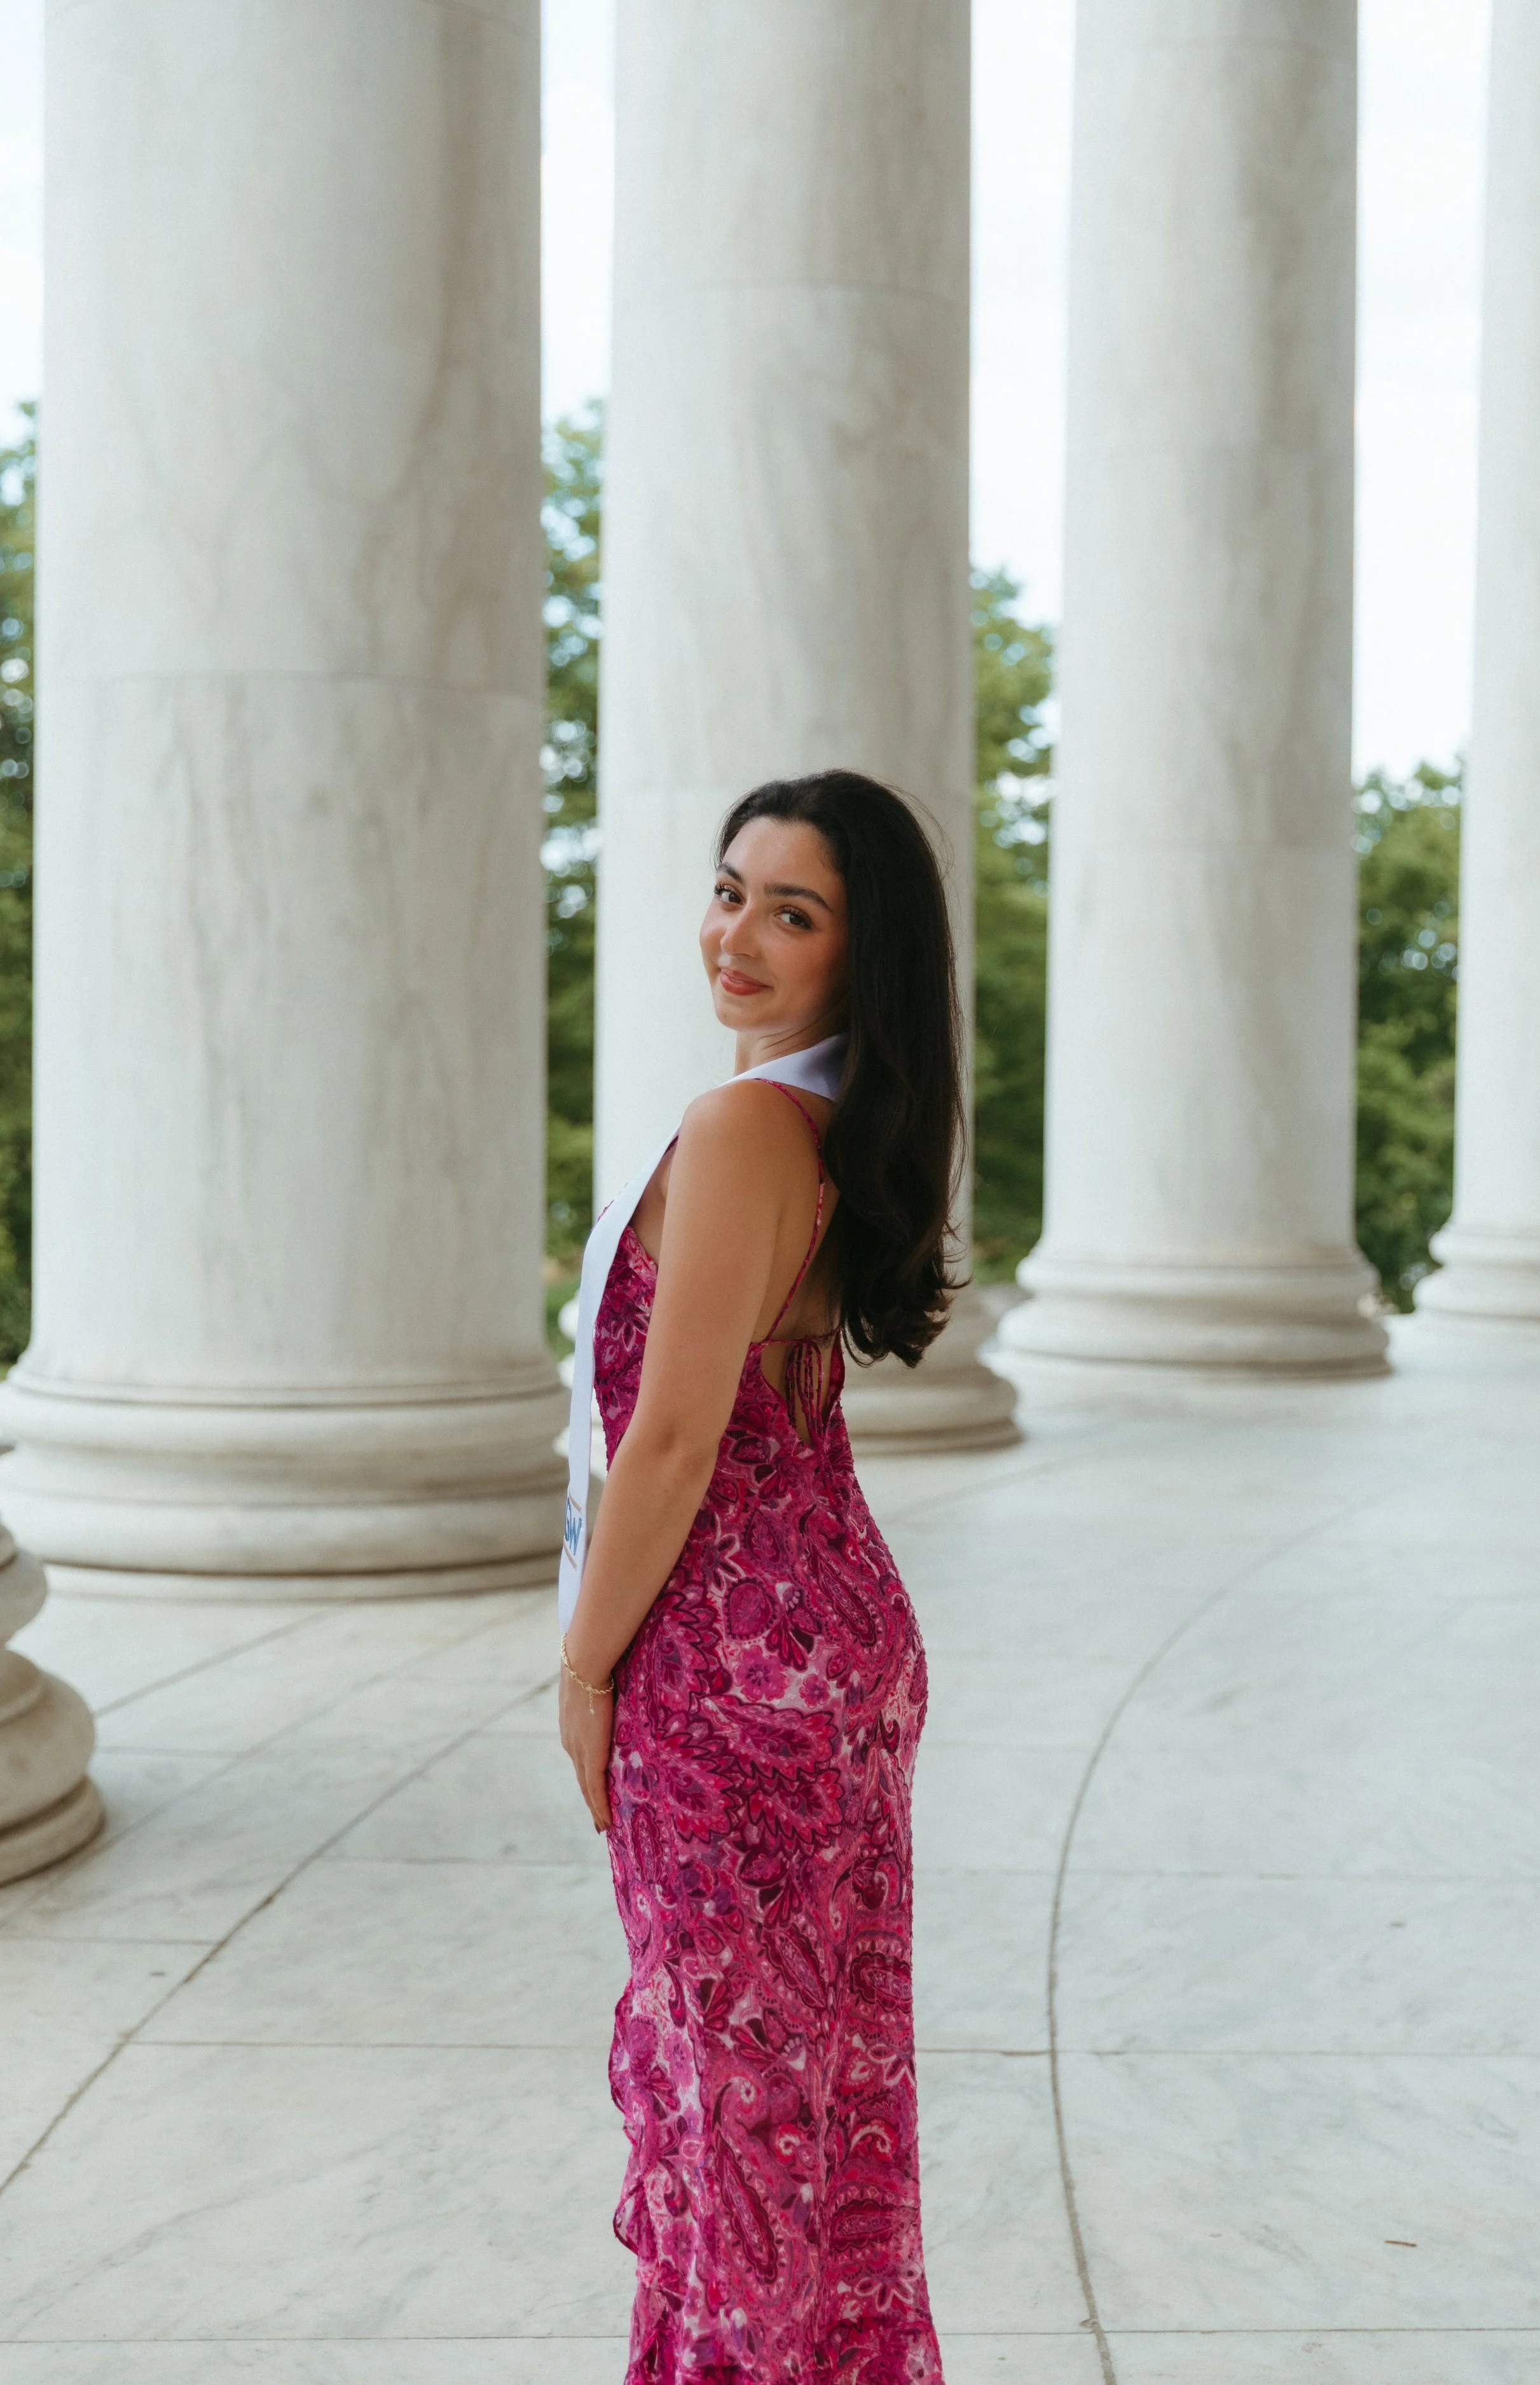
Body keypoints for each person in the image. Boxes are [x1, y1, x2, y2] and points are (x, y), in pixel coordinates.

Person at [558, 767, 959, 2382]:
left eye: (791, 912)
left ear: (857, 956)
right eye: (730, 889)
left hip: (728, 1674)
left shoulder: (741, 1125)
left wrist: (585, 1674)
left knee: (734, 2126)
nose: (735, 934)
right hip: (836, 1652)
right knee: (823, 2106)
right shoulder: (840, 1121)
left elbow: (670, 1446)